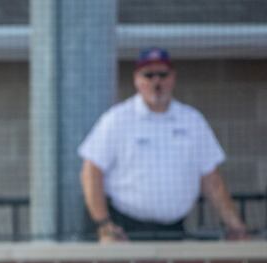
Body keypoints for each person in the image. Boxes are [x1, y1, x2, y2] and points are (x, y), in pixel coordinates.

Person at [78, 47, 247, 242]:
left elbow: (212, 180)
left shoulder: (192, 120)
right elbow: (91, 172)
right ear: (137, 80)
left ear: (173, 77)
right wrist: (103, 224)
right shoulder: (117, 119)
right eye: (148, 75)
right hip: (125, 230)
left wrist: (236, 226)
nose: (156, 82)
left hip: (173, 231)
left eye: (162, 74)